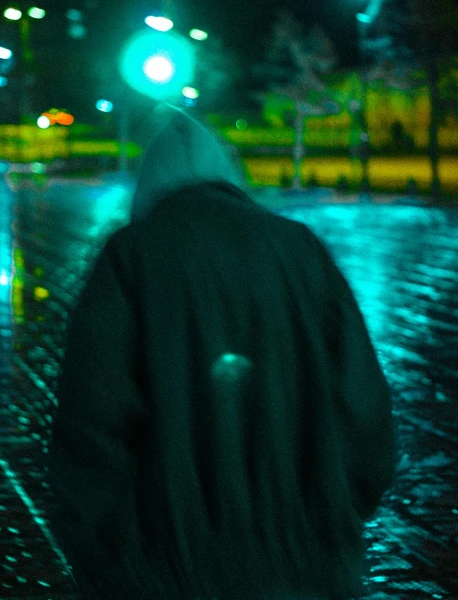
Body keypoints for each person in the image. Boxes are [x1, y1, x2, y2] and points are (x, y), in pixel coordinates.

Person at [46, 104, 396, 599]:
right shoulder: (299, 249)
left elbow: (92, 424)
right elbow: (363, 411)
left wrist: (104, 553)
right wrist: (334, 514)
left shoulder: (131, 256)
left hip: (166, 570)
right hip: (306, 565)